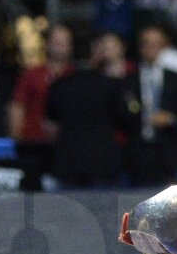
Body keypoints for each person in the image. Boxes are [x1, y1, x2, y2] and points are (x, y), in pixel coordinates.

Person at [45, 34, 135, 187]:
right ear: (95, 54)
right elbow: (127, 119)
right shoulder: (112, 85)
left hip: (68, 163)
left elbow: (50, 125)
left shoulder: (58, 86)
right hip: (104, 162)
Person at [125, 24, 177, 186]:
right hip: (139, 152)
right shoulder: (128, 81)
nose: (150, 48)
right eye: (146, 43)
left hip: (169, 150)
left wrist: (170, 118)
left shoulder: (176, 79)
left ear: (163, 47)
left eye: (155, 44)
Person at [9, 24, 73, 143]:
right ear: (47, 44)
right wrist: (15, 139)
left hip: (67, 144)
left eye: (64, 42)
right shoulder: (31, 74)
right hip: (33, 142)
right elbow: (17, 106)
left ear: (70, 46)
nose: (60, 46)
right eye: (56, 42)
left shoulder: (75, 77)